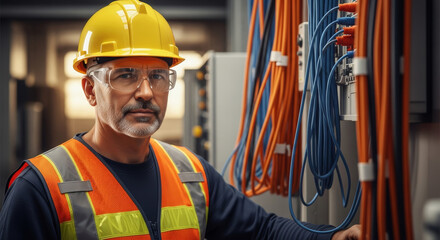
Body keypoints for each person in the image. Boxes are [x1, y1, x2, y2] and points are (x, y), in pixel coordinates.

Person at [0, 0, 360, 239]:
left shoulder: (191, 173)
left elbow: (262, 231)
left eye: (157, 76)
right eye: (125, 75)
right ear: (91, 90)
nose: (145, 92)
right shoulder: (41, 187)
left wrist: (335, 237)